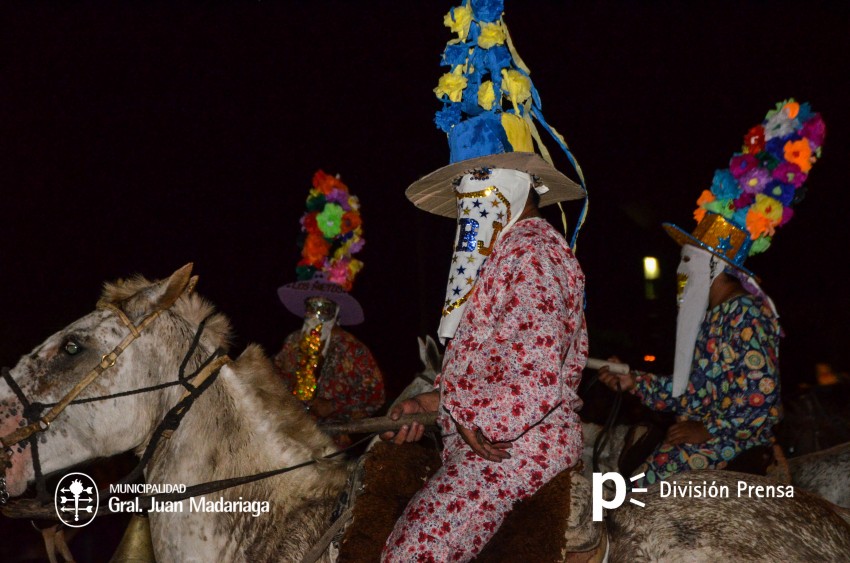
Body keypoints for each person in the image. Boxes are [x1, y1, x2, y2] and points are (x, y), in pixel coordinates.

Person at [380, 3, 590, 561]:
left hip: (516, 452)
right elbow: (490, 366)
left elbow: (535, 370)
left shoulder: (533, 253)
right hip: (480, 445)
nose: (471, 197)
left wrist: (476, 417)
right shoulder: (499, 256)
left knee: (408, 554)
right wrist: (434, 401)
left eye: (484, 179)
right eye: (464, 186)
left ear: (522, 182)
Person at [599, 99, 825, 486]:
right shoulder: (711, 317)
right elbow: (687, 391)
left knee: (638, 491)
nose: (679, 273)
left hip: (734, 443)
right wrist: (632, 381)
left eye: (688, 262)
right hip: (697, 436)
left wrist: (708, 431)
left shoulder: (747, 316)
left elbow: (763, 402)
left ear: (714, 267)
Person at [275, 171, 385, 441]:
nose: (317, 315)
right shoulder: (291, 344)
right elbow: (272, 383)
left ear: (337, 313)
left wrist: (332, 407)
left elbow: (376, 395)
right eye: (312, 307)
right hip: (291, 436)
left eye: (324, 308)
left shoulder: (353, 350)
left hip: (336, 438)